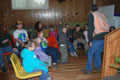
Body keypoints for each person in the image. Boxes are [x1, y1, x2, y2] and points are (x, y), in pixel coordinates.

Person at [81, 5, 109, 75]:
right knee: (98, 52)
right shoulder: (103, 15)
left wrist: (90, 40)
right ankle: (98, 67)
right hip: (105, 37)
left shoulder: (92, 15)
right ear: (97, 9)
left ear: (91, 10)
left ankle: (89, 70)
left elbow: (90, 29)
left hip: (97, 37)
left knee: (90, 53)